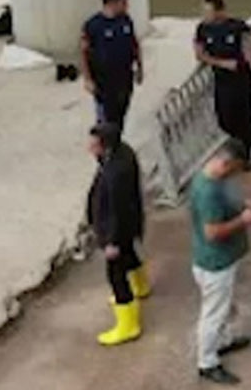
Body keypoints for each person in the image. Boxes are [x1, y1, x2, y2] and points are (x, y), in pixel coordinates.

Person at [191, 138, 251, 385]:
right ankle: (207, 361)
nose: (238, 174)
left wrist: (241, 208)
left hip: (229, 257)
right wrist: (244, 221)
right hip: (215, 263)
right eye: (238, 169)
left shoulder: (216, 178)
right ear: (229, 163)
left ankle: (224, 341)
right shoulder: (209, 191)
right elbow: (212, 232)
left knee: (230, 304)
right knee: (214, 313)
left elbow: (228, 205)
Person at [85, 123, 150, 346]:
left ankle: (128, 323)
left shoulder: (115, 173)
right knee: (129, 255)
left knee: (116, 274)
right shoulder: (122, 154)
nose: (89, 149)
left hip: (118, 229)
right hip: (129, 224)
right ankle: (141, 286)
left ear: (105, 146)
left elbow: (116, 209)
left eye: (94, 145)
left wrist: (111, 241)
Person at [194, 0, 251, 156]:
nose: (204, 15)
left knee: (246, 119)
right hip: (222, 81)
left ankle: (247, 153)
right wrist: (221, 63)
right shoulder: (203, 29)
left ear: (220, 12)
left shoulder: (236, 26)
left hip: (242, 80)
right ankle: (238, 147)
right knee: (224, 119)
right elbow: (200, 54)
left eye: (208, 12)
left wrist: (248, 54)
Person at [81, 0, 143, 131]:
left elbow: (135, 45)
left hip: (124, 79)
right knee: (106, 120)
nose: (127, 6)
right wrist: (87, 79)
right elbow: (83, 53)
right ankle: (104, 149)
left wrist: (140, 67)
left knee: (120, 116)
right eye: (124, 2)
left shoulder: (126, 21)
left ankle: (116, 144)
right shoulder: (93, 25)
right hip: (104, 82)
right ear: (112, 2)